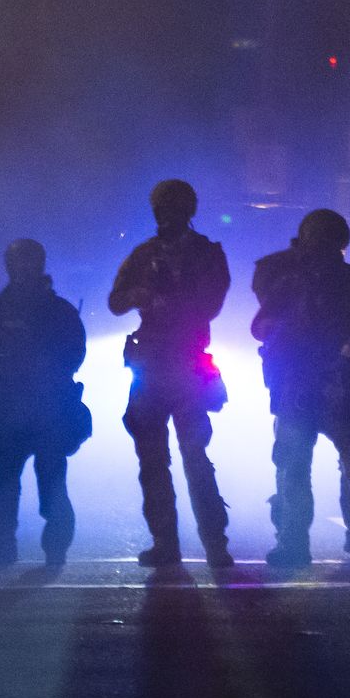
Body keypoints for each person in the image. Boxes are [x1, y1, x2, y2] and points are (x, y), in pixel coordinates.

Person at [252, 209, 350, 571]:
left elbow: (262, 324)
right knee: (345, 468)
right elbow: (264, 325)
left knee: (299, 468)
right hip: (328, 386)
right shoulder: (335, 281)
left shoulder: (293, 279)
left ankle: (298, 544)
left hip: (314, 386)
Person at [108, 179, 234, 569]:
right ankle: (165, 541)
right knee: (152, 458)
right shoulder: (144, 254)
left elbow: (211, 304)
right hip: (151, 364)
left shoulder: (206, 253)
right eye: (164, 207)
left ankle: (215, 542)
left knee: (195, 455)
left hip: (187, 362)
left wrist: (172, 301)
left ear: (189, 211)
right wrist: (139, 295)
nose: (169, 214)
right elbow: (115, 301)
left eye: (176, 207)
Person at [0, 239, 89, 567]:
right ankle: (1, 547)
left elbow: (76, 351)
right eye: (19, 262)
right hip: (7, 409)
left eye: (30, 261)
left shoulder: (58, 310)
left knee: (51, 479)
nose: (24, 268)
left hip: (48, 408)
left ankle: (55, 547)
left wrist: (50, 373)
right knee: (4, 480)